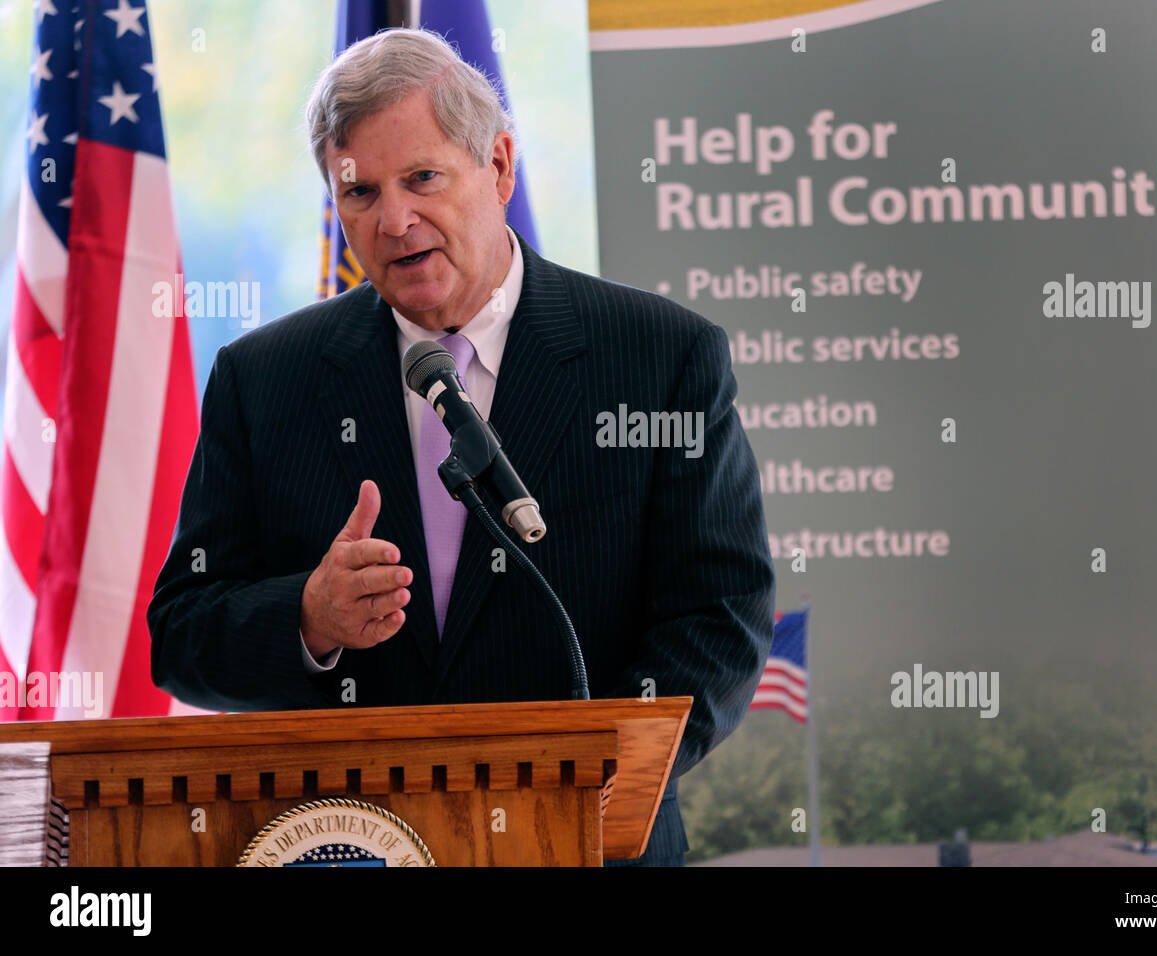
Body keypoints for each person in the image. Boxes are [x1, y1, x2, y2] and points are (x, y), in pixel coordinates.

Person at [147, 27, 775, 867]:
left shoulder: (661, 358)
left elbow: (721, 614)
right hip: (348, 849)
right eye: (360, 192)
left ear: (501, 166)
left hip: (585, 843)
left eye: (422, 179)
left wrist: (587, 780)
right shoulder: (264, 380)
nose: (394, 220)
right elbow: (182, 632)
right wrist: (308, 617)